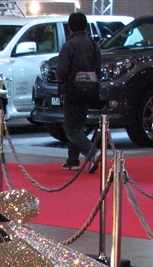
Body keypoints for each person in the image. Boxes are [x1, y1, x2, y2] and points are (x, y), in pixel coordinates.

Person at [55, 12, 101, 171]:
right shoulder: (93, 44)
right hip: (89, 90)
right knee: (77, 125)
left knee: (70, 129)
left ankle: (92, 153)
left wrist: (61, 82)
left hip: (72, 90)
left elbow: (61, 70)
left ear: (70, 27)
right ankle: (72, 160)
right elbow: (98, 67)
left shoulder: (69, 45)